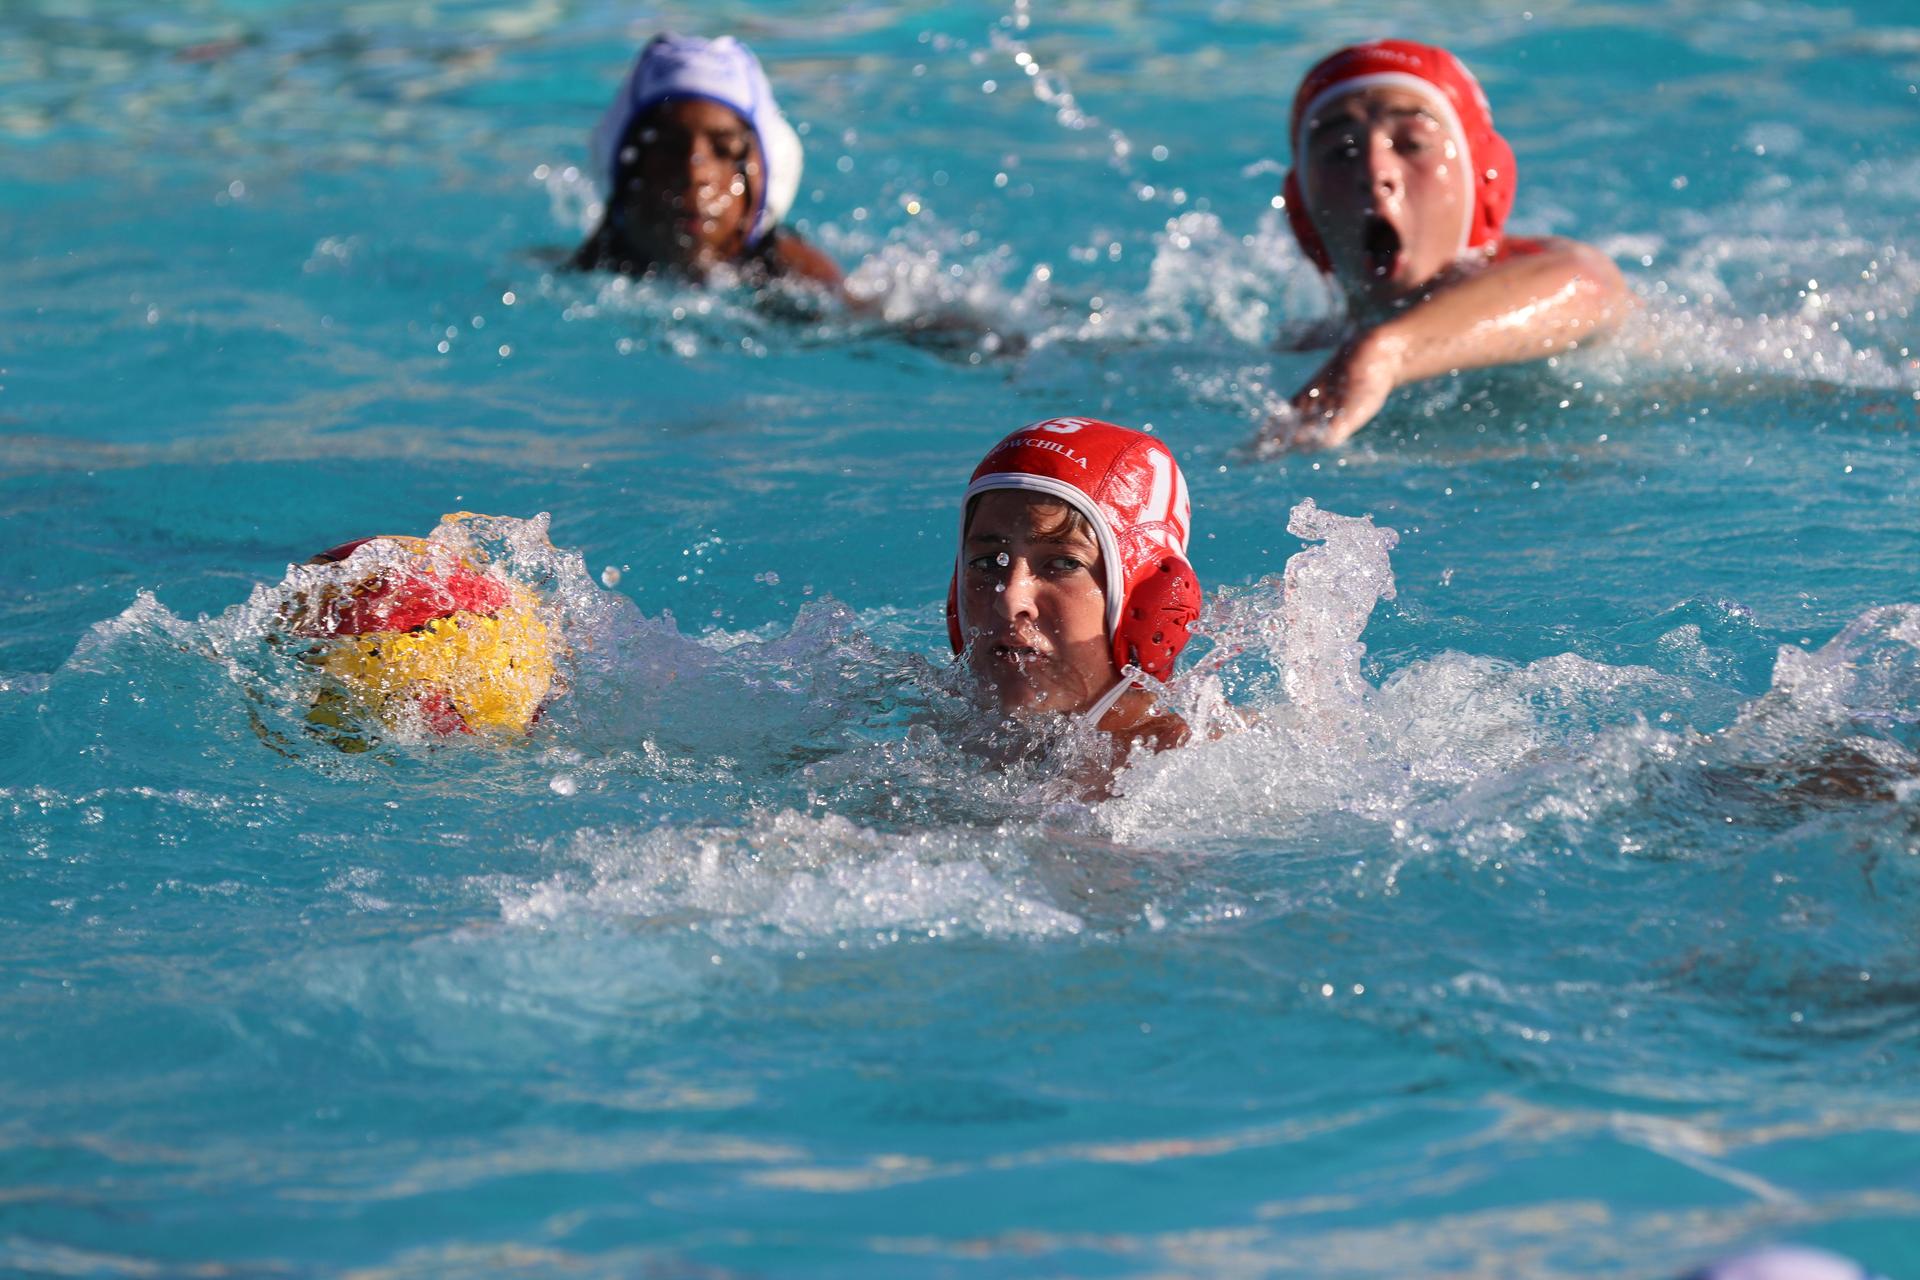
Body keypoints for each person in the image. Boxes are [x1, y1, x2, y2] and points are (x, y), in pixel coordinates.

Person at [1266, 39, 1631, 449]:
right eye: (1341, 151)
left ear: (1485, 179)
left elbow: (1590, 284)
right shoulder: (1312, 352)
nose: (1374, 171)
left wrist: (1387, 354)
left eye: (1412, 144)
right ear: (1302, 208)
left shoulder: (1537, 269)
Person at [947, 417, 1202, 761]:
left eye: (1064, 563)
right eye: (988, 562)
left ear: (1144, 600)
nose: (1009, 600)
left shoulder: (1201, 762)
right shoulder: (933, 732)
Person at [571, 34, 841, 288]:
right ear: (624, 163)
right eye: (669, 147)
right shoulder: (581, 277)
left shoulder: (807, 284)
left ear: (769, 171)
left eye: (725, 150)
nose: (694, 172)